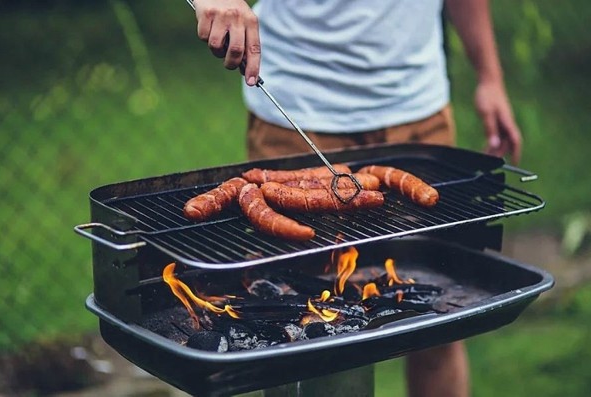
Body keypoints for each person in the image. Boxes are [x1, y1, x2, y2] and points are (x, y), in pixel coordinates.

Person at [193, 0, 522, 396]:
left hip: (418, 111)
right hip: (296, 109)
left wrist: (490, 77)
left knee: (438, 323)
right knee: (300, 332)